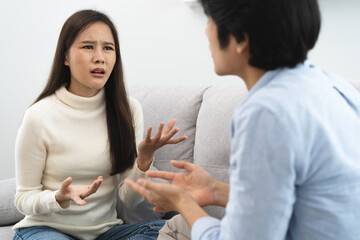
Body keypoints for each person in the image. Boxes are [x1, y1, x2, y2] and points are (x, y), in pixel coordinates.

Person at [125, 0, 360, 239]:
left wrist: (183, 202)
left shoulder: (265, 111)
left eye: (210, 22)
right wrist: (215, 191)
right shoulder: (336, 87)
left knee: (175, 226)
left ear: (241, 37)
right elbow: (304, 203)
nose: (206, 32)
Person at [13, 9, 187, 240]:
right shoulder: (39, 116)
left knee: (179, 228)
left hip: (106, 233)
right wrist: (57, 197)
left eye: (108, 48)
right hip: (46, 230)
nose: (100, 57)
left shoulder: (127, 109)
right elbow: (23, 199)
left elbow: (128, 200)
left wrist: (143, 161)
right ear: (65, 57)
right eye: (88, 47)